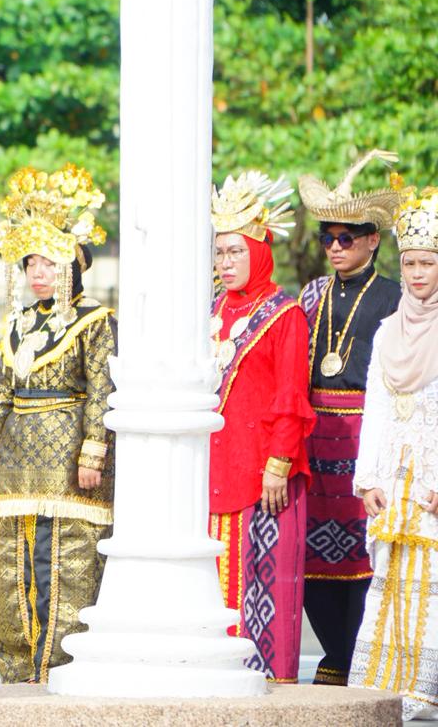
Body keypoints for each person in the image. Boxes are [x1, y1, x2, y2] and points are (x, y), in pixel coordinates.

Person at [0, 164, 116, 684]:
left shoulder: (96, 320)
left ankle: (64, 665)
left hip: (68, 456)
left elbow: (102, 389)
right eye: (31, 261)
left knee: (68, 558)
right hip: (18, 460)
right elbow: (0, 390)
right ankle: (18, 665)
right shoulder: (16, 324)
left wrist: (93, 451)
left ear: (74, 265)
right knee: (15, 558)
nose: (39, 272)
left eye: (50, 262)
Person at [296, 151, 402, 686]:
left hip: (366, 433)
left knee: (364, 554)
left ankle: (355, 653)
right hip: (315, 436)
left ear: (372, 240)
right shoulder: (311, 295)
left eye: (347, 238)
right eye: (327, 239)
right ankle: (334, 651)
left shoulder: (394, 297)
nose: (335, 247)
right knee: (313, 555)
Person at [208, 171, 316, 684]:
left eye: (235, 251)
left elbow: (290, 398)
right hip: (209, 471)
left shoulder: (283, 313)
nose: (225, 262)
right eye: (219, 252)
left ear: (259, 251)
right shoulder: (207, 311)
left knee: (262, 583)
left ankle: (264, 684)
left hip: (261, 475)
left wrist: (278, 465)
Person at [350, 183, 438, 719]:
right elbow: (376, 409)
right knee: (392, 582)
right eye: (409, 263)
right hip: (394, 480)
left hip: (431, 483)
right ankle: (388, 689)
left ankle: (427, 689)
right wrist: (368, 480)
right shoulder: (386, 332)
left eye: (427, 262)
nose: (417, 273)